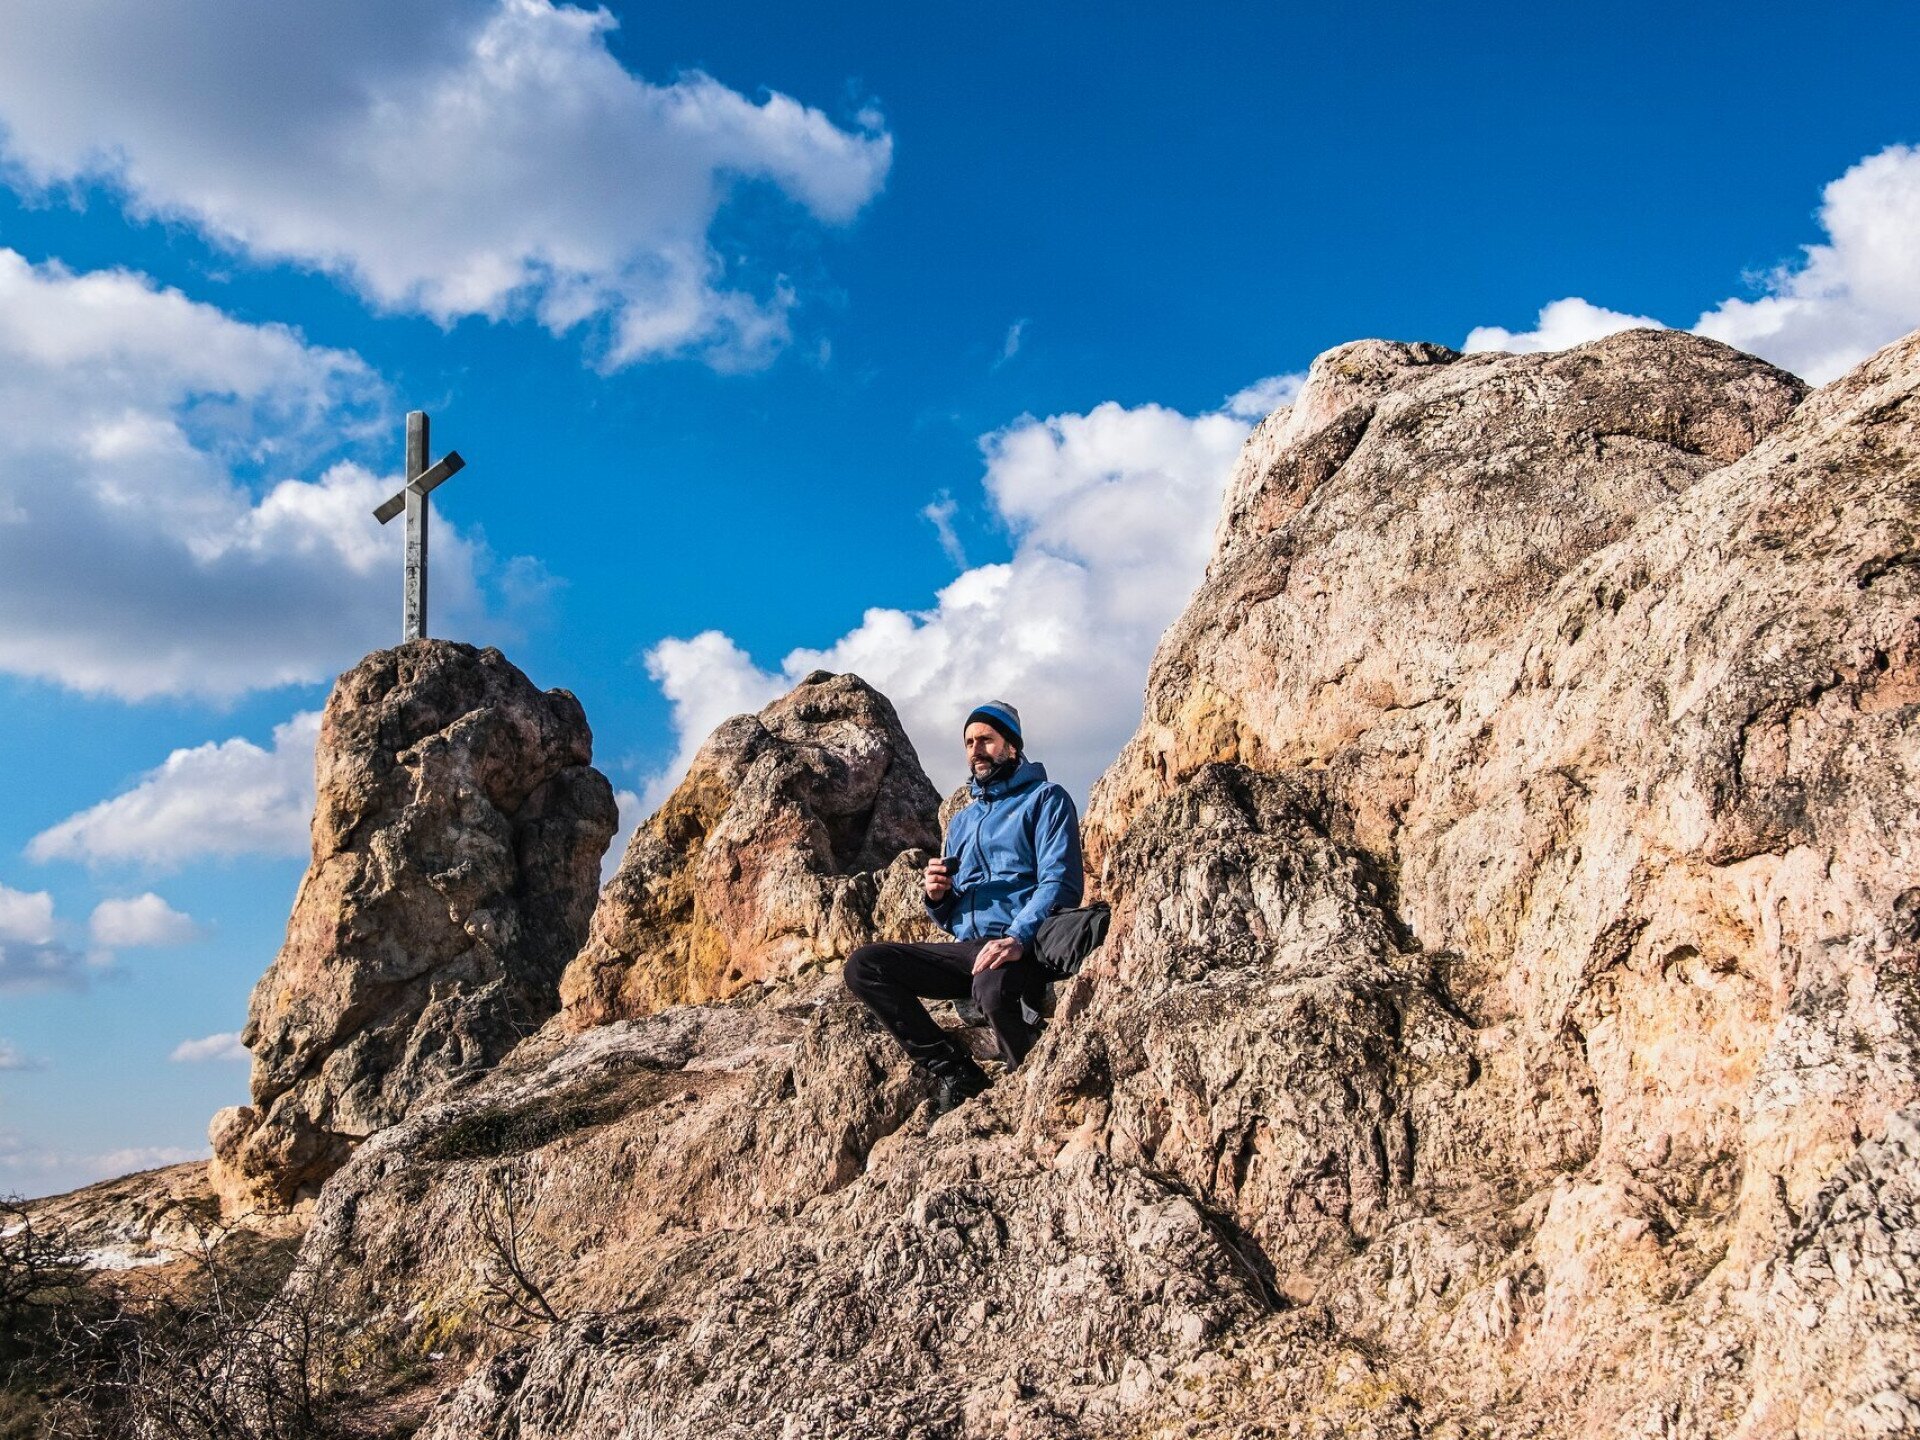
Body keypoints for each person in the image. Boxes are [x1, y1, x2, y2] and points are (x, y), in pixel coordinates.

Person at [843, 700, 1084, 1114]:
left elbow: (1060, 882)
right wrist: (938, 898)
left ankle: (1031, 1083)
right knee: (865, 965)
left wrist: (1016, 937)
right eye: (969, 742)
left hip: (1025, 943)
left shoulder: (1046, 800)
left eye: (986, 740)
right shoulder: (962, 822)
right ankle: (956, 1071)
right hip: (969, 948)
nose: (976, 750)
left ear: (1011, 745)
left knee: (992, 990)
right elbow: (954, 916)